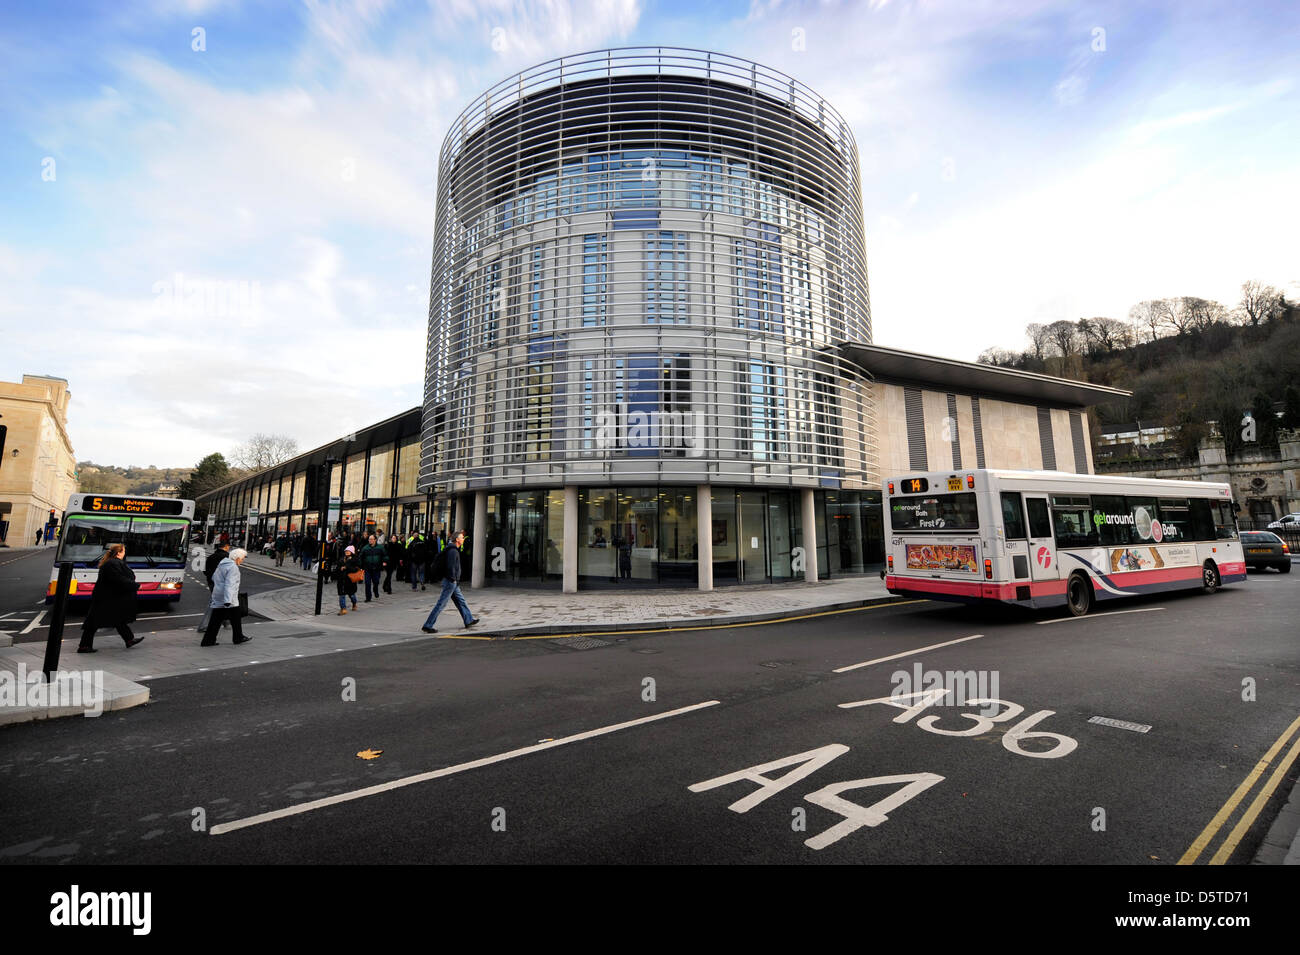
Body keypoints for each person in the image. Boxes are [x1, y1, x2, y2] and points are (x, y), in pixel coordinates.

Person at [77, 544, 144, 652]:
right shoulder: (112, 563)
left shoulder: (112, 562)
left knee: (117, 619)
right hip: (107, 597)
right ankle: (84, 646)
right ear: (118, 553)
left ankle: (129, 639)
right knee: (94, 622)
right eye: (123, 551)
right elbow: (118, 578)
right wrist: (135, 585)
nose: (124, 553)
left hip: (108, 597)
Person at [421, 530, 479, 633]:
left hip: (452, 582)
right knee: (441, 604)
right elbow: (451, 567)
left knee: (461, 601)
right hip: (451, 582)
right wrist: (453, 579)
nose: (463, 539)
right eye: (461, 537)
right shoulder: (453, 551)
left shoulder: (452, 549)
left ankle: (468, 619)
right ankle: (428, 625)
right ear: (457, 539)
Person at [201, 547, 250, 646]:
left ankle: (209, 640)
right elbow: (230, 584)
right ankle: (237, 637)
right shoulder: (233, 567)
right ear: (237, 558)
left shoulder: (223, 563)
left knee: (221, 618)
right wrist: (227, 600)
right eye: (242, 558)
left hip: (219, 594)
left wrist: (219, 589)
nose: (242, 560)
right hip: (228, 598)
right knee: (227, 618)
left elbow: (214, 577)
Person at [197, 539, 232, 633]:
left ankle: (225, 621)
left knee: (221, 601)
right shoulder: (227, 557)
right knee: (216, 603)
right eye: (229, 547)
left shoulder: (211, 557)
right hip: (222, 583)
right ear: (226, 547)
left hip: (212, 582)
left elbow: (205, 570)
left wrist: (211, 577)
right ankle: (204, 625)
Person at [334, 545, 362, 614]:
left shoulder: (355, 560)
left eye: (348, 551)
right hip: (341, 580)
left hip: (350, 581)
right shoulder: (341, 559)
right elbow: (337, 567)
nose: (346, 552)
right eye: (346, 551)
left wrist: (347, 567)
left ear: (352, 552)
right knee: (341, 595)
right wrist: (340, 568)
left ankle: (354, 604)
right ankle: (343, 609)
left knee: (351, 595)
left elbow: (356, 570)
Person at [359, 534, 386, 601]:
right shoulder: (365, 548)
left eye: (371, 539)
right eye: (369, 539)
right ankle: (368, 597)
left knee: (376, 581)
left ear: (375, 540)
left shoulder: (380, 547)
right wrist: (360, 566)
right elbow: (360, 557)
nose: (370, 540)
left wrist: (385, 561)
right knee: (367, 583)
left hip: (377, 568)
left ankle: (375, 590)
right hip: (367, 568)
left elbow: (385, 555)